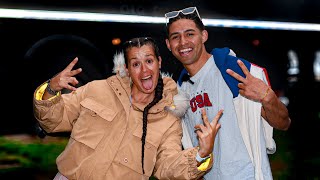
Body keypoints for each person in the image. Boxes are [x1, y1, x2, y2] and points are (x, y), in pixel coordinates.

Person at [33, 36, 223, 180]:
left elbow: (166, 165)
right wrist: (51, 88)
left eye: (149, 61)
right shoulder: (97, 89)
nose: (145, 70)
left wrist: (200, 155)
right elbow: (53, 122)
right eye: (136, 64)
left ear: (159, 62)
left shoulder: (169, 117)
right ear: (127, 69)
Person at [164, 7, 291, 180]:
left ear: (204, 36)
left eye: (190, 34)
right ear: (168, 45)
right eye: (175, 37)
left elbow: (284, 123)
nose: (183, 42)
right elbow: (193, 153)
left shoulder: (233, 71)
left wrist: (267, 96)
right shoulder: (179, 93)